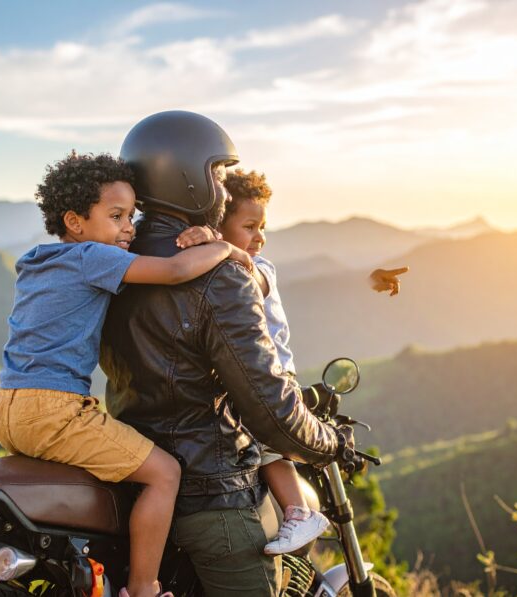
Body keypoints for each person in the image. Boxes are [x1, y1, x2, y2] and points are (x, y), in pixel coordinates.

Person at [101, 111, 351, 597]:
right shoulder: (220, 274)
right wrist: (329, 442)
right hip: (211, 493)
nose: (220, 184)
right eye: (216, 172)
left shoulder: (114, 260)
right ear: (189, 177)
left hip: (132, 473)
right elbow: (270, 408)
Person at [0, 151, 252, 597]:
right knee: (164, 473)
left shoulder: (38, 259)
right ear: (74, 221)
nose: (130, 228)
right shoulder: (92, 257)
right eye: (116, 216)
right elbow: (173, 271)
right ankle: (142, 587)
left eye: (132, 215)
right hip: (56, 410)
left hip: (9, 408)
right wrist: (226, 247)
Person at [218, 168, 329, 555]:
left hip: (274, 377)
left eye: (261, 226)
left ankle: (299, 512)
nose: (259, 237)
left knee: (267, 447)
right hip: (254, 375)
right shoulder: (230, 264)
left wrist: (219, 246)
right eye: (249, 226)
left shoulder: (257, 268)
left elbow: (247, 275)